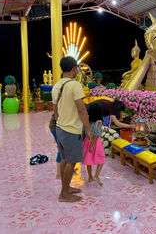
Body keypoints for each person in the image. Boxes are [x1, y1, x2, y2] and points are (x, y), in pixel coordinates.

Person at [52, 56, 93, 202]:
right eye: (77, 68)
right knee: (72, 162)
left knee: (64, 159)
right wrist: (88, 129)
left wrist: (59, 120)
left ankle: (66, 188)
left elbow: (54, 107)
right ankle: (63, 194)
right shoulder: (74, 85)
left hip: (60, 129)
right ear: (74, 69)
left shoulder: (56, 85)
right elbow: (81, 109)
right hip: (71, 130)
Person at [82, 102, 105, 185]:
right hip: (96, 143)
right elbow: (96, 134)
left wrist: (82, 140)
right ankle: (96, 175)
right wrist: (93, 145)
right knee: (101, 159)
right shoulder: (99, 122)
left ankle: (90, 177)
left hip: (86, 141)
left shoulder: (87, 118)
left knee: (88, 160)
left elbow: (83, 131)